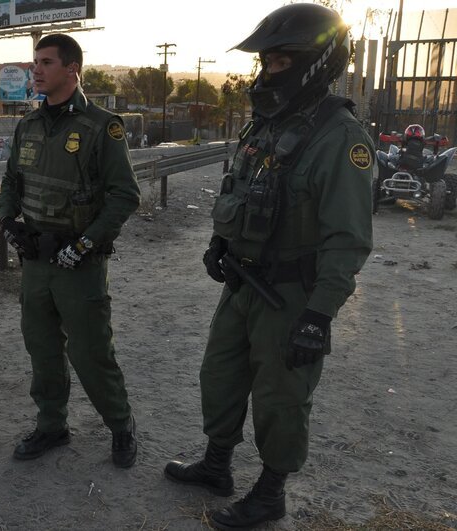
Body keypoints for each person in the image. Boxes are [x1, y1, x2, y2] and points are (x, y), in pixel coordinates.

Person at [164, 5, 373, 529]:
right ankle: (217, 466)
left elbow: (347, 241)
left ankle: (270, 492)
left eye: (279, 61)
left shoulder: (339, 137)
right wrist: (219, 240)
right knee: (221, 377)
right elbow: (238, 188)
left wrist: (319, 315)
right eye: (267, 61)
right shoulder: (267, 124)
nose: (266, 73)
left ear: (315, 63)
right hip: (242, 282)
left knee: (281, 399)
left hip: (291, 296)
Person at [0, 34, 140, 468]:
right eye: (34, 62)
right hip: (37, 264)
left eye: (45, 62)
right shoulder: (29, 124)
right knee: (41, 349)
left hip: (79, 265)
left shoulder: (101, 126)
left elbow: (124, 196)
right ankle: (52, 425)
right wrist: (8, 220)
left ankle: (120, 425)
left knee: (91, 353)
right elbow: (10, 181)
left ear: (72, 69)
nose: (35, 70)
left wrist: (84, 245)